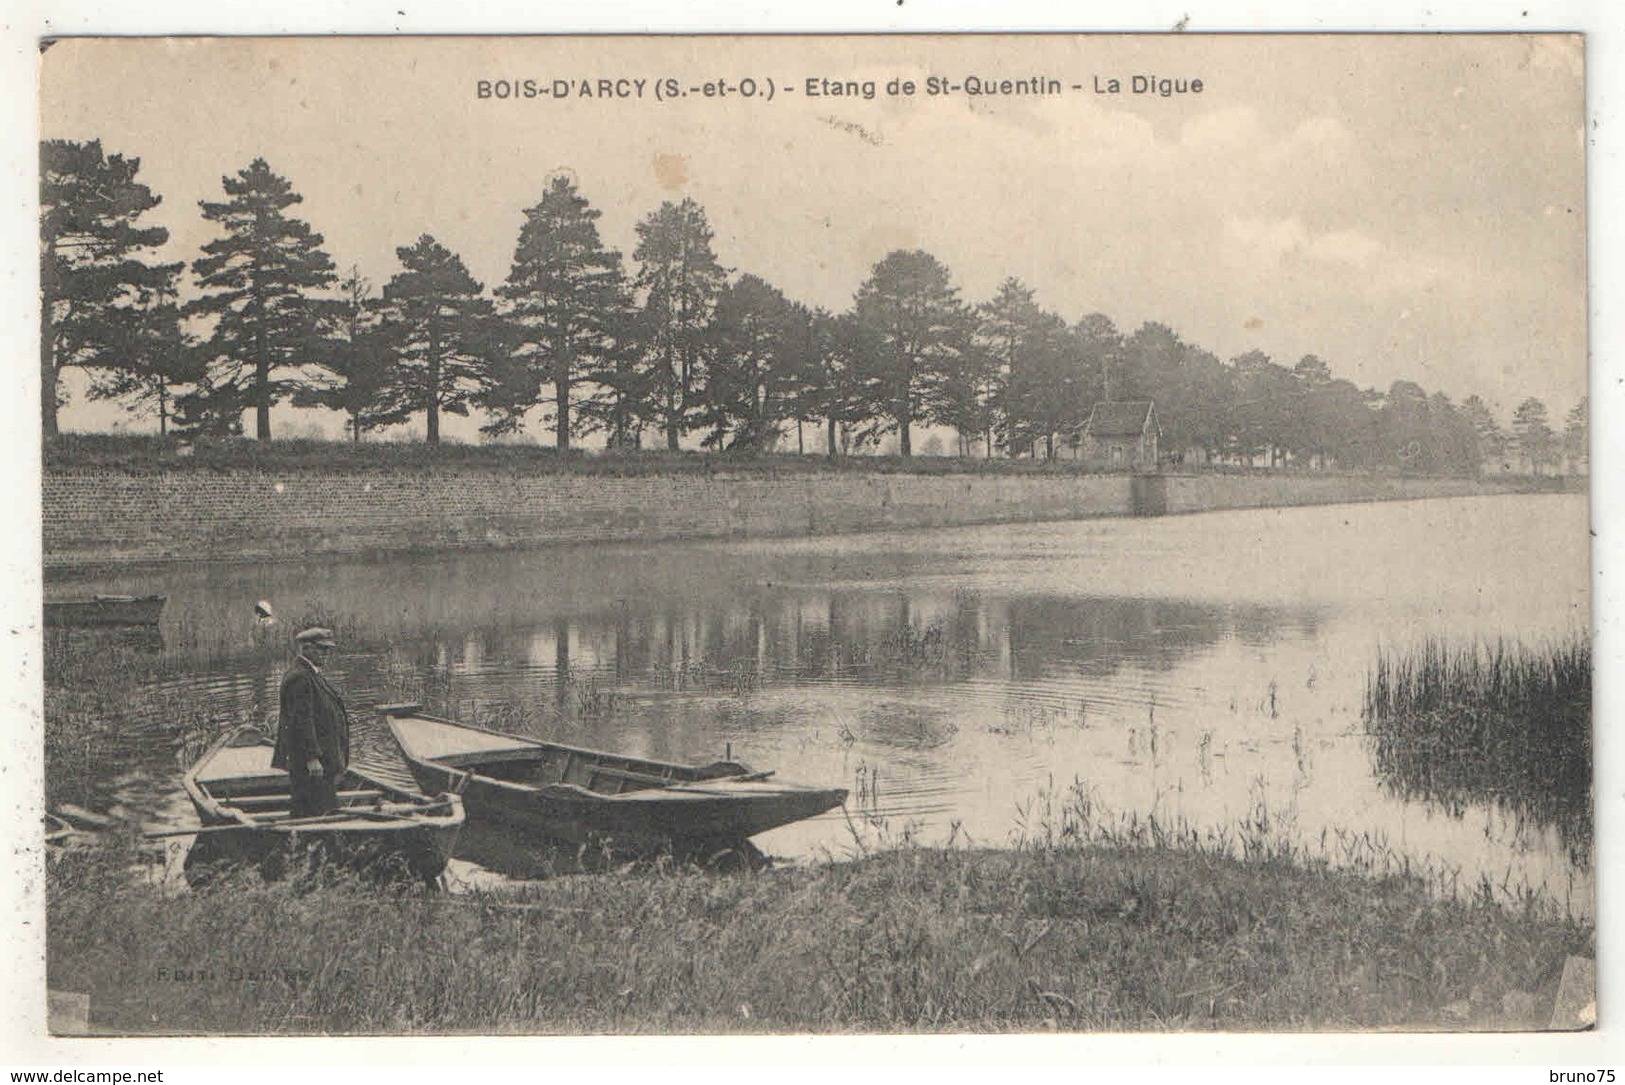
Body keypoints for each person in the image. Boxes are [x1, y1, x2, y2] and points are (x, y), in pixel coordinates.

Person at [272, 627, 351, 817]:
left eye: (328, 650)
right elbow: (301, 722)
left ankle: (310, 841)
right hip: (312, 763)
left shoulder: (311, 674)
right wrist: (312, 758)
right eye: (322, 649)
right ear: (306, 648)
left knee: (319, 806)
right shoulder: (300, 677)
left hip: (321, 760)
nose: (326, 655)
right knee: (314, 808)